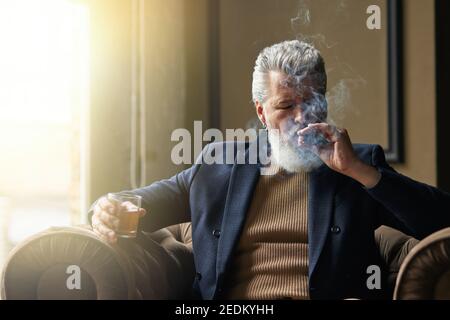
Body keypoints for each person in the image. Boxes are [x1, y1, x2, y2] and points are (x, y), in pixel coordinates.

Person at [91, 40, 450, 300]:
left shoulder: (358, 164)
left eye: (311, 102)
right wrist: (110, 209)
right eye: (285, 105)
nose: (301, 117)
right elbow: (139, 202)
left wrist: (359, 171)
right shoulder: (220, 164)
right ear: (262, 112)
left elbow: (441, 220)